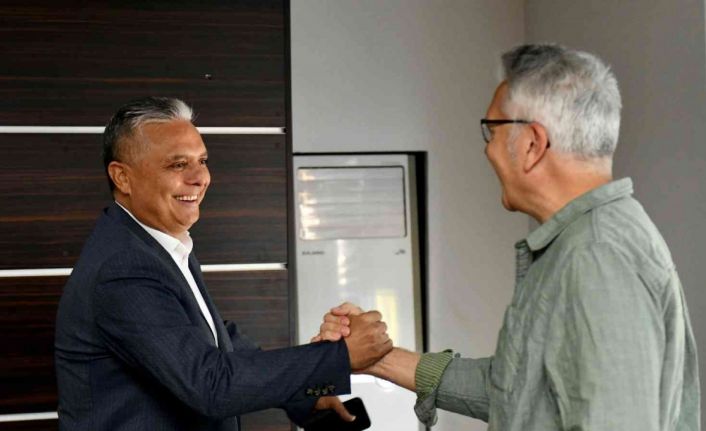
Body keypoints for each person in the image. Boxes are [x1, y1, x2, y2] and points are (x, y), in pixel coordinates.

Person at [318, 44, 700, 430]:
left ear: (533, 144)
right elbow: (515, 391)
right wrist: (377, 357)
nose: (488, 149)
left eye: (492, 130)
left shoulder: (598, 254)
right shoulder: (584, 242)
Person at [54, 97, 393, 430]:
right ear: (122, 178)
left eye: (202, 161)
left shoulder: (156, 245)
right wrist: (339, 357)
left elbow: (214, 340)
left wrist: (305, 394)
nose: (200, 177)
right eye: (178, 165)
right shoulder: (124, 268)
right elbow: (210, 385)